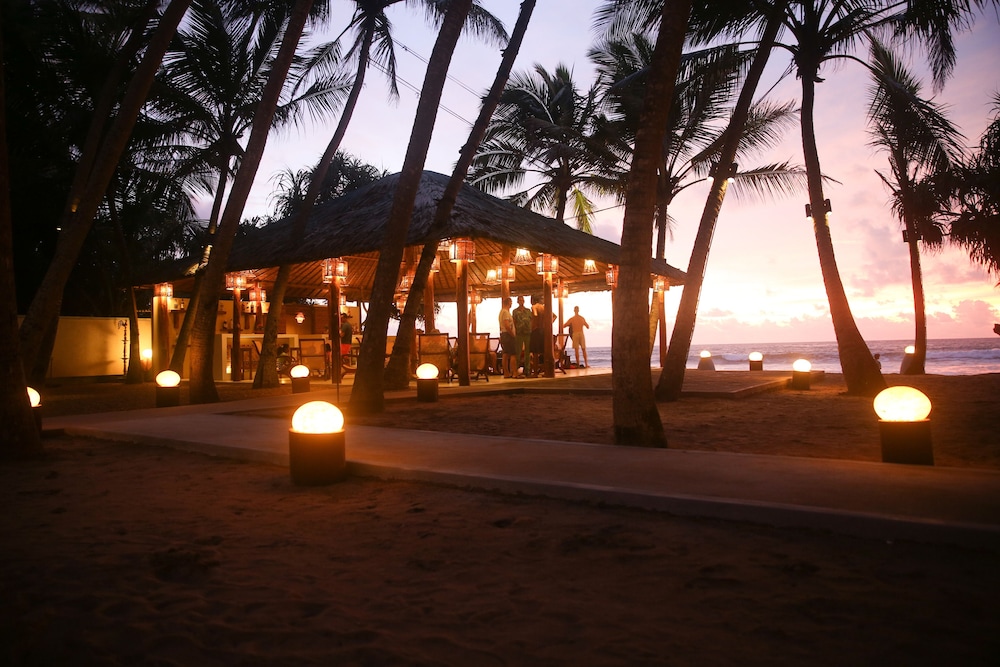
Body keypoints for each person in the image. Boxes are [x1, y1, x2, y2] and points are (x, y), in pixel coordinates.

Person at [511, 295, 532, 377]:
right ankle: (515, 370)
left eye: (522, 300)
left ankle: (527, 370)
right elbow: (514, 321)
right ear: (517, 301)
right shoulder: (515, 311)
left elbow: (531, 320)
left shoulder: (528, 310)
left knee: (527, 352)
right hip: (519, 333)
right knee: (518, 352)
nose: (521, 302)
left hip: (527, 333)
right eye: (520, 300)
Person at [498, 296, 517, 378]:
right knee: (513, 354)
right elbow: (506, 325)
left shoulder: (502, 312)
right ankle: (514, 372)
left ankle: (506, 373)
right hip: (508, 335)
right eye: (511, 302)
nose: (511, 304)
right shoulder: (505, 312)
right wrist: (512, 334)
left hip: (504, 334)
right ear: (508, 303)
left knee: (505, 354)